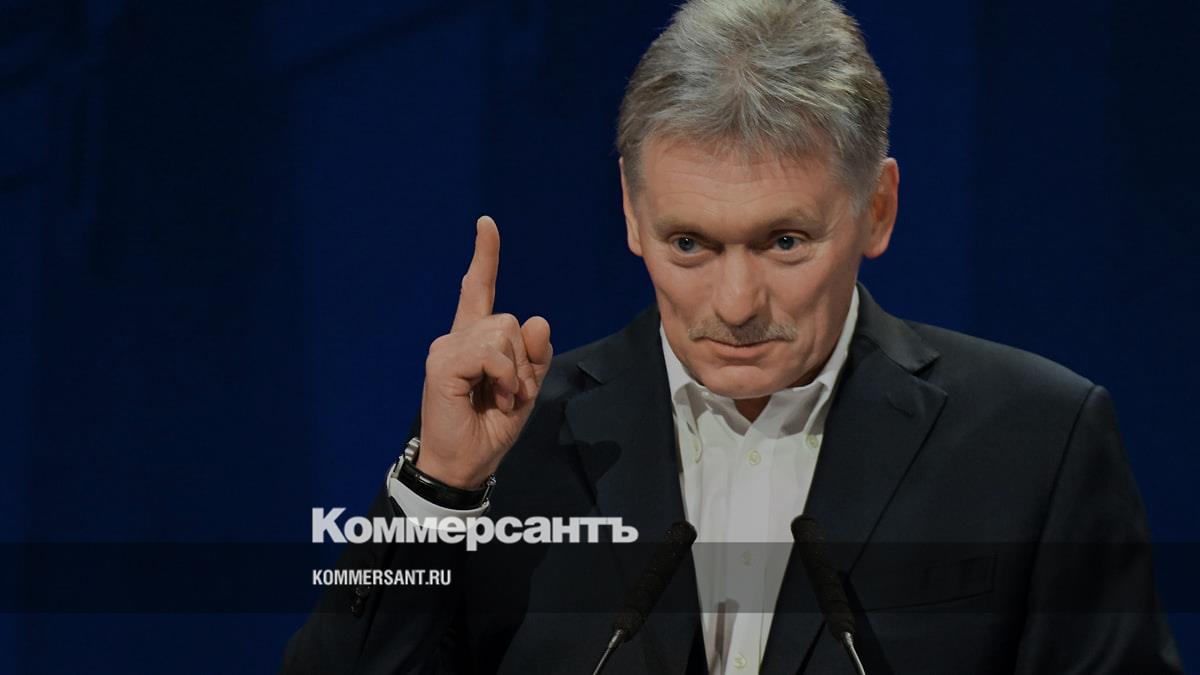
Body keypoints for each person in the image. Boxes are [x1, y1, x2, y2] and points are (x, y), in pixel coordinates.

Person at [282, 0, 1182, 672]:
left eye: (784, 241)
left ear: (877, 209)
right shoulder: (512, 444)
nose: (737, 301)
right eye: (690, 244)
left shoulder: (1037, 441)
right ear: (631, 214)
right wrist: (437, 489)